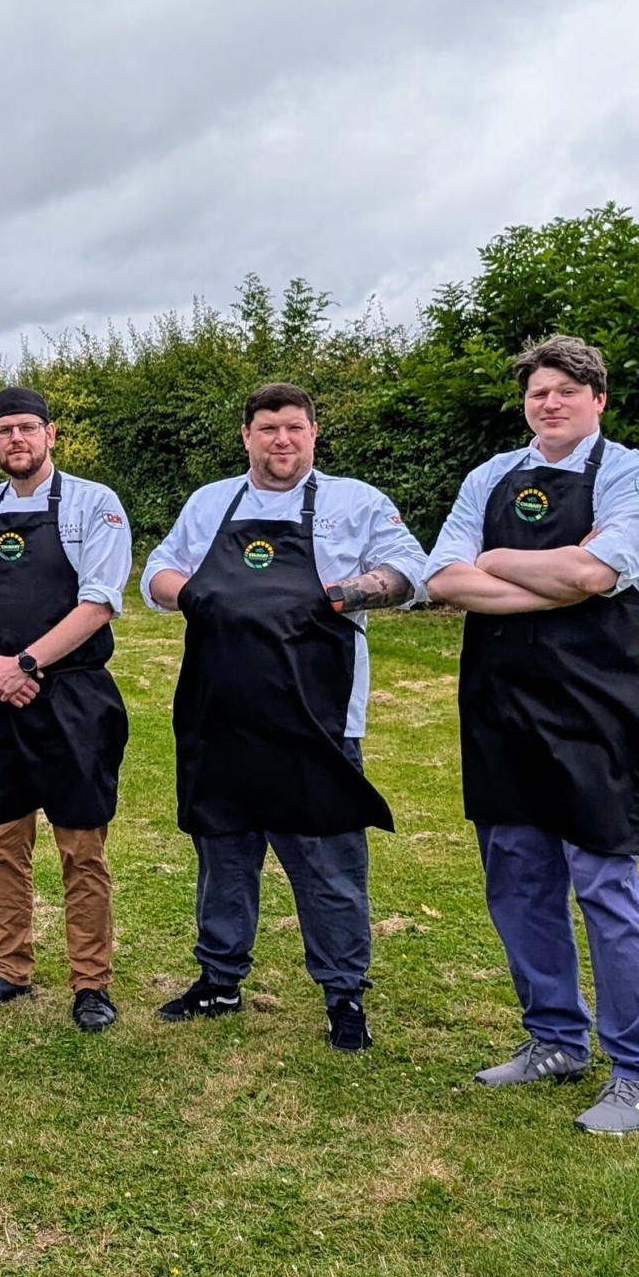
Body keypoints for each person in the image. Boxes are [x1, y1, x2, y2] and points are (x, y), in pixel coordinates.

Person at [424, 335, 639, 1135]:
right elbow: (442, 579)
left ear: (598, 400)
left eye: (568, 390)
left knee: (605, 887)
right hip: (499, 703)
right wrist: (550, 579)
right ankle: (554, 1040)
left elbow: (594, 576)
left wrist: (499, 563)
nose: (551, 403)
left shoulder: (634, 476)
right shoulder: (489, 476)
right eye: (539, 392)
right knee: (518, 881)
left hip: (594, 708)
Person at [142, 382, 428, 1052]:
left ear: (314, 433)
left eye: (295, 428)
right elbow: (159, 570)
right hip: (223, 714)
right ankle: (218, 978)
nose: (282, 440)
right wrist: (199, 597)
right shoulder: (212, 503)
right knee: (224, 855)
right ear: (246, 435)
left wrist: (342, 595)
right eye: (268, 428)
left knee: (328, 860)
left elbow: (411, 570)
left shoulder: (355, 502)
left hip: (318, 720)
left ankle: (343, 994)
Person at [0, 387, 132, 1032]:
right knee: (0, 842)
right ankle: (8, 969)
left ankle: (90, 982)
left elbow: (98, 602)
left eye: (27, 428)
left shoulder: (94, 505)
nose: (15, 439)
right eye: (3, 430)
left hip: (72, 695)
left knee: (81, 844)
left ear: (50, 435)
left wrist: (27, 664)